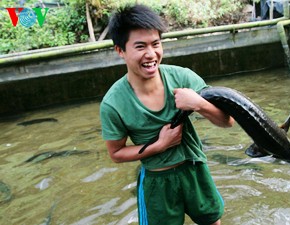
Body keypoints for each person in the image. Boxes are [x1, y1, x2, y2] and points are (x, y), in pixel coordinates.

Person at [99, 4, 234, 225]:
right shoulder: (113, 104)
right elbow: (116, 153)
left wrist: (199, 104)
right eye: (140, 46)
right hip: (156, 181)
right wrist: (160, 145)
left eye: (156, 44)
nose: (151, 54)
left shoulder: (183, 78)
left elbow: (227, 121)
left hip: (194, 169)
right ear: (120, 50)